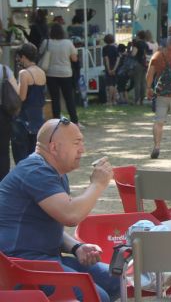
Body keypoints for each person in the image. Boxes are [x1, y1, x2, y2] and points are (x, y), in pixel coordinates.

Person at [0, 119, 119, 301]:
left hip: (45, 260)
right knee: (96, 296)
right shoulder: (36, 171)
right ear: (54, 148)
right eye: (76, 143)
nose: (82, 150)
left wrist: (76, 247)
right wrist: (98, 184)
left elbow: (46, 223)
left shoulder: (52, 171)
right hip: (19, 266)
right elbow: (70, 215)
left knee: (116, 280)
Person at [12, 44, 44, 165]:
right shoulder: (41, 72)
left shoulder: (24, 73)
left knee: (20, 155)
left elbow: (22, 96)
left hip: (24, 117)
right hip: (38, 117)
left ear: (24, 57)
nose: (18, 60)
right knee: (34, 153)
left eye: (19, 57)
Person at [42, 24, 79, 125]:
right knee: (69, 98)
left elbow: (41, 54)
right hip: (66, 73)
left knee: (55, 98)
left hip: (51, 73)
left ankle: (56, 120)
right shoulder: (68, 43)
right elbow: (74, 59)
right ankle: (74, 120)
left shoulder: (47, 42)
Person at [0, 51, 19, 181]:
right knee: (3, 149)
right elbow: (16, 92)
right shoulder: (5, 70)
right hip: (3, 113)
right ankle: (3, 180)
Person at [129, 31, 149, 106]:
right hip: (145, 64)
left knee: (137, 82)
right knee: (143, 82)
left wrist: (130, 52)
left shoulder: (137, 44)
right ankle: (142, 100)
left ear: (138, 36)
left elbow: (133, 54)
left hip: (138, 63)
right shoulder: (146, 44)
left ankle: (136, 100)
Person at [102, 34, 120, 106]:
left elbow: (106, 59)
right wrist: (115, 69)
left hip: (109, 67)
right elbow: (118, 59)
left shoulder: (105, 48)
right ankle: (114, 100)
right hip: (115, 67)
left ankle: (109, 101)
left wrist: (109, 69)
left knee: (110, 84)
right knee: (114, 84)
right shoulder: (116, 48)